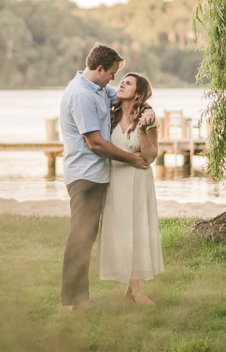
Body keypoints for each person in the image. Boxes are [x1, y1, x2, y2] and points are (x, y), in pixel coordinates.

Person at [59, 43, 155, 312]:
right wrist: (131, 159)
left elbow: (134, 98)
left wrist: (149, 112)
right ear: (99, 69)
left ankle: (83, 296)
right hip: (85, 176)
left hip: (99, 176)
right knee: (80, 238)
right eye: (112, 73)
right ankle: (72, 301)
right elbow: (96, 143)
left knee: (87, 237)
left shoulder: (99, 89)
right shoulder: (81, 95)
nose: (114, 80)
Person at [99, 72, 163, 305]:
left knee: (135, 234)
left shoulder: (149, 119)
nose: (121, 84)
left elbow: (150, 156)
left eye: (128, 83)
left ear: (137, 93)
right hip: (116, 181)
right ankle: (134, 291)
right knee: (122, 234)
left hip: (139, 181)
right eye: (121, 81)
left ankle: (134, 291)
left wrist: (144, 131)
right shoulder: (110, 116)